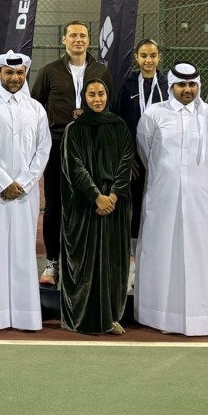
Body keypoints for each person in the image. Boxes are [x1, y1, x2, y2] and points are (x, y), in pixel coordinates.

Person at [134, 62, 208, 336]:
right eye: (181, 85)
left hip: (200, 200)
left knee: (198, 255)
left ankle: (198, 318)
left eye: (192, 85)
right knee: (159, 251)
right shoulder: (154, 114)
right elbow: (145, 150)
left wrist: (196, 181)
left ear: (197, 86)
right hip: (162, 197)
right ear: (171, 86)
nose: (187, 90)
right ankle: (156, 315)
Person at [0, 52, 53, 331]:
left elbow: (43, 150)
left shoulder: (36, 109)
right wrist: (4, 182)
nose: (15, 78)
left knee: (21, 250)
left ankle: (23, 315)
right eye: (9, 73)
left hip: (25, 195)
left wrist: (26, 182)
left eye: (19, 74)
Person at [31, 21, 112, 286]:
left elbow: (110, 108)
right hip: (58, 146)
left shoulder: (101, 70)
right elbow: (35, 106)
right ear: (64, 39)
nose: (78, 40)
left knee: (88, 202)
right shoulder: (49, 71)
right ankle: (53, 261)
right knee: (55, 204)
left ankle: (83, 261)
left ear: (89, 40)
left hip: (91, 147)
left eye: (83, 36)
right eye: (73, 35)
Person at [59, 77, 135, 336]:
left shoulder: (119, 126)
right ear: (84, 97)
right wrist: (96, 197)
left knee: (112, 262)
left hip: (115, 206)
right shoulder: (75, 129)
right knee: (85, 263)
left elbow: (127, 160)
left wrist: (113, 196)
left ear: (108, 95)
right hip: (84, 207)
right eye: (91, 94)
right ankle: (81, 318)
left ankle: (109, 317)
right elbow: (74, 166)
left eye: (101, 93)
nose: (97, 99)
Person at [115, 38, 168, 267]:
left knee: (159, 205)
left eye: (153, 55)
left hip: (162, 158)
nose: (149, 60)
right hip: (134, 159)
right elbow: (118, 121)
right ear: (136, 58)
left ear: (159, 57)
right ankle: (135, 260)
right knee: (134, 206)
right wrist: (126, 156)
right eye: (144, 56)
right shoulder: (126, 86)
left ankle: (158, 255)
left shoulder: (167, 85)